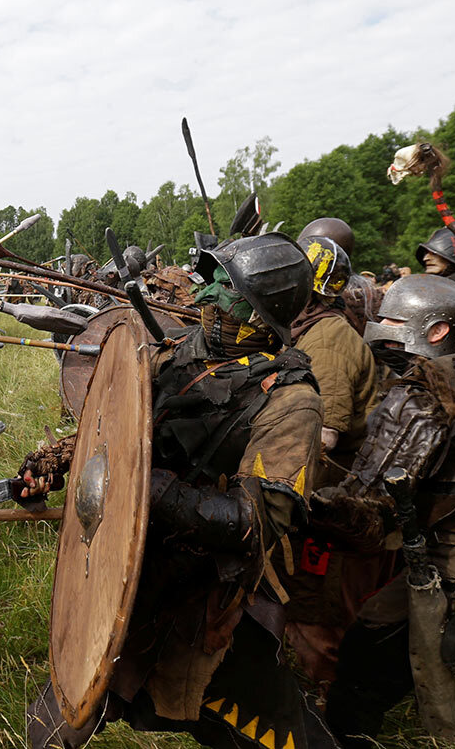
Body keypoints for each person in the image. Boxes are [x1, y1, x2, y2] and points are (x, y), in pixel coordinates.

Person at [24, 233, 336, 749]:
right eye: (210, 280)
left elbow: (254, 521)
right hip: (140, 566)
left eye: (225, 288)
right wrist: (61, 461)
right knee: (67, 712)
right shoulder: (182, 354)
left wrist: (144, 487)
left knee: (264, 727)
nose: (208, 296)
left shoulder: (291, 402)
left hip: (210, 592)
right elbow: (122, 427)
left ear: (260, 316)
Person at [323, 275, 455, 747]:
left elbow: (371, 504)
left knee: (373, 664)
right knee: (374, 632)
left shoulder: (428, 390)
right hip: (452, 545)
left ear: (435, 331)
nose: (382, 328)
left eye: (394, 319)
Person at [279, 236, 384, 696]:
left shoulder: (330, 343)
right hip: (315, 497)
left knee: (315, 607)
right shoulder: (307, 330)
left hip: (329, 501)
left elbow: (321, 438)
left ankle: (324, 707)